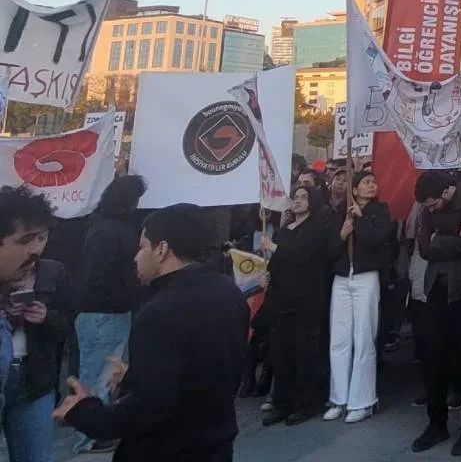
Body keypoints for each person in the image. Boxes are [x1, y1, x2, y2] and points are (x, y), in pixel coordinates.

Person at [56, 204, 250, 462]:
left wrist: (84, 411)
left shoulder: (160, 312)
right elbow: (199, 372)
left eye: (142, 247)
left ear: (161, 249)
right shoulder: (229, 292)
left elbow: (146, 410)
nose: (136, 257)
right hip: (216, 445)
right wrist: (137, 376)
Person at [412, 173, 461, 456]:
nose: (430, 210)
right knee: (433, 358)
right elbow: (424, 246)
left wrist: (439, 238)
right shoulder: (427, 207)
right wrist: (453, 236)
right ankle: (436, 423)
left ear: (446, 192)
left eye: (433, 204)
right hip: (436, 289)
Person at [73, 174, 147, 455]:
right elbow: (100, 273)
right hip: (106, 310)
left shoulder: (100, 226)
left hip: (98, 309)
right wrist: (126, 294)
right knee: (100, 374)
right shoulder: (115, 230)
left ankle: (92, 430)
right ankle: (89, 435)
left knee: (97, 371)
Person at [325, 170, 396, 424]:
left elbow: (376, 239)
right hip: (342, 278)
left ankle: (363, 400)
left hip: (366, 276)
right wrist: (343, 234)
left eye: (373, 182)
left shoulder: (380, 211)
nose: (371, 185)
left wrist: (360, 219)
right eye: (366, 182)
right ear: (354, 189)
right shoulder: (339, 212)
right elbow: (328, 250)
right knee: (339, 338)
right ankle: (339, 398)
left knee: (364, 337)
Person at [259, 185, 333, 426]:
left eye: (304, 197)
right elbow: (277, 262)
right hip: (282, 299)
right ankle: (282, 403)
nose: (298, 201)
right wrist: (267, 275)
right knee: (282, 354)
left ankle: (304, 404)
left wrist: (274, 248)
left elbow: (303, 255)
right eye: (295, 197)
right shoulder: (283, 231)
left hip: (306, 299)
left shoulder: (316, 228)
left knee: (304, 353)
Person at [4, 229, 70, 462]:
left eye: (41, 238)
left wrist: (46, 318)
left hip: (35, 377)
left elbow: (68, 324)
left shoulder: (53, 271)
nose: (34, 246)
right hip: (5, 366)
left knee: (36, 455)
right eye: (27, 238)